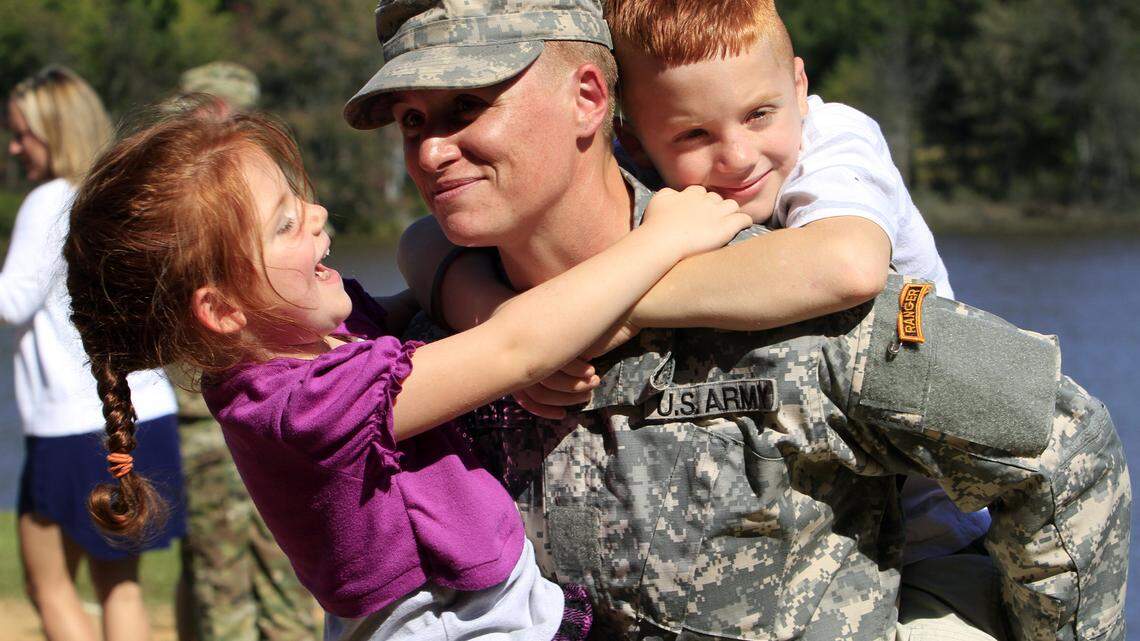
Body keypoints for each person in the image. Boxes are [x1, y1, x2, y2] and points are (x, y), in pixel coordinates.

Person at [341, 1, 1130, 639]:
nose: (432, 151)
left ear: (588, 98)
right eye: (412, 121)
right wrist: (514, 327)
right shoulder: (427, 350)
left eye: (466, 107)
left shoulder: (792, 294)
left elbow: (1061, 440)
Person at [62, 110, 752, 639]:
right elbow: (517, 346)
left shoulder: (302, 343)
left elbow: (424, 281)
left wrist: (463, 288)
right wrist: (663, 238)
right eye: (284, 223)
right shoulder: (305, 405)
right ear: (221, 308)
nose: (319, 214)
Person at [406, 0, 988, 573]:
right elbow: (419, 244)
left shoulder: (833, 138)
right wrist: (504, 316)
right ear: (633, 141)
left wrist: (595, 313)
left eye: (760, 114)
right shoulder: (635, 166)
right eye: (692, 135)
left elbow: (847, 265)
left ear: (798, 81)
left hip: (940, 527)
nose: (736, 156)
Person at [2, 65, 183, 641]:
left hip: (70, 425)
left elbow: (10, 303)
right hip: (138, 416)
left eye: (20, 132)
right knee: (121, 586)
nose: (13, 146)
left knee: (49, 586)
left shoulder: (47, 201)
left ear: (52, 130)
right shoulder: (120, 195)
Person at [163, 62, 322, 641]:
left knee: (266, 571)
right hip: (219, 419)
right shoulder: (211, 197)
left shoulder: (257, 197)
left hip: (259, 409)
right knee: (214, 570)